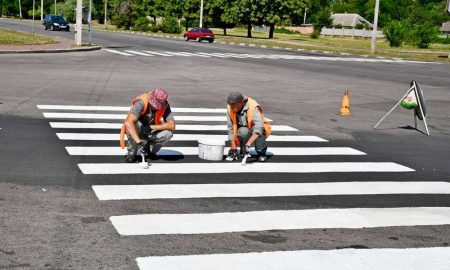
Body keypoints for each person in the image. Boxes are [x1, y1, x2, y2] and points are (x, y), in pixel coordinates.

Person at [120, 88, 176, 163]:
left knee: (168, 134)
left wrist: (151, 127)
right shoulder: (142, 102)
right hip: (138, 129)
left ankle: (150, 151)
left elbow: (172, 125)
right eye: (155, 105)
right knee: (133, 124)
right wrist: (139, 143)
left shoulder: (165, 105)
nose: (156, 107)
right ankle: (131, 153)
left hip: (150, 131)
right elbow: (128, 123)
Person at [225, 91, 271, 162]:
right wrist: (233, 147)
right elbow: (230, 128)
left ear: (241, 102)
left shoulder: (253, 106)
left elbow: (259, 128)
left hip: (257, 129)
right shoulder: (230, 107)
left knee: (261, 131)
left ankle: (261, 153)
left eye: (235, 105)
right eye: (231, 105)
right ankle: (243, 150)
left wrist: (248, 144)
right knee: (243, 131)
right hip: (245, 129)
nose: (233, 108)